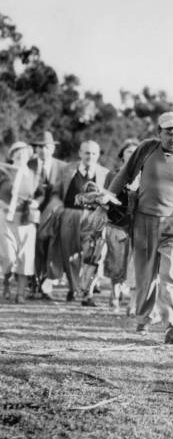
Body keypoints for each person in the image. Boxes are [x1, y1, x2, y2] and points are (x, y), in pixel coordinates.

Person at [106, 112, 173, 344]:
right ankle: (143, 318)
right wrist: (108, 198)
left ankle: (172, 325)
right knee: (145, 274)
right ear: (159, 132)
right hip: (144, 222)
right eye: (169, 132)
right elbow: (124, 174)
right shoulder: (146, 148)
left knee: (169, 272)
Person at [50, 140, 109, 306]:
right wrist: (58, 208)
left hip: (94, 218)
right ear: (80, 153)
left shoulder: (105, 173)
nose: (90, 156)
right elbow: (55, 193)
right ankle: (74, 288)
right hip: (70, 215)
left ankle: (87, 293)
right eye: (87, 153)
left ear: (98, 155)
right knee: (70, 255)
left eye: (94, 153)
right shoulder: (67, 170)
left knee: (93, 255)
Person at [0, 142, 40, 303]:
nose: (21, 155)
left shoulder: (33, 174)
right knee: (9, 257)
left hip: (26, 220)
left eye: (24, 153)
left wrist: (36, 202)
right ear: (12, 155)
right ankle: (7, 282)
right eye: (17, 152)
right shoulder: (3, 172)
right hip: (6, 218)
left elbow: (42, 194)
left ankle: (21, 293)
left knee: (25, 256)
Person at [30, 131, 66, 300]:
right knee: (34, 247)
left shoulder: (63, 167)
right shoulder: (28, 165)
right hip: (30, 212)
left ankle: (47, 284)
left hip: (54, 213)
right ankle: (34, 283)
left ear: (52, 148)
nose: (43, 150)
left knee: (52, 247)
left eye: (46, 147)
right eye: (39, 147)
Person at [104, 139, 139, 314]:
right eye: (128, 151)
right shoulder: (112, 175)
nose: (132, 154)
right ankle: (115, 295)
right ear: (122, 155)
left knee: (134, 262)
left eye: (135, 151)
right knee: (116, 260)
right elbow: (105, 199)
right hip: (116, 223)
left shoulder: (145, 175)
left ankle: (132, 301)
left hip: (138, 225)